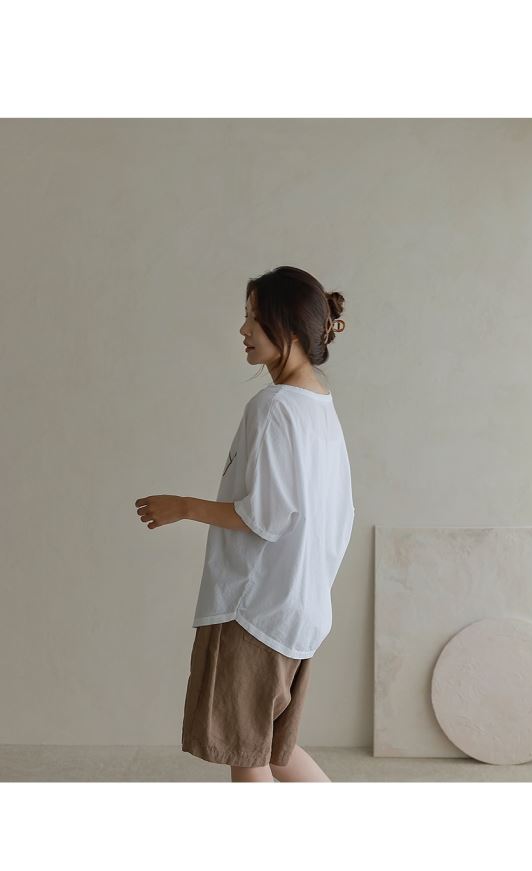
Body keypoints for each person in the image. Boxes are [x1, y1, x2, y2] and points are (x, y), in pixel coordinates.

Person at [134, 266, 355, 782]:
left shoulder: (275, 407)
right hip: (300, 609)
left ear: (289, 326)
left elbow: (266, 517)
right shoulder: (320, 406)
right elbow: (336, 516)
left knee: (248, 759)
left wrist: (182, 506)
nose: (243, 329)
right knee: (275, 750)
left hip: (254, 611)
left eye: (254, 318)